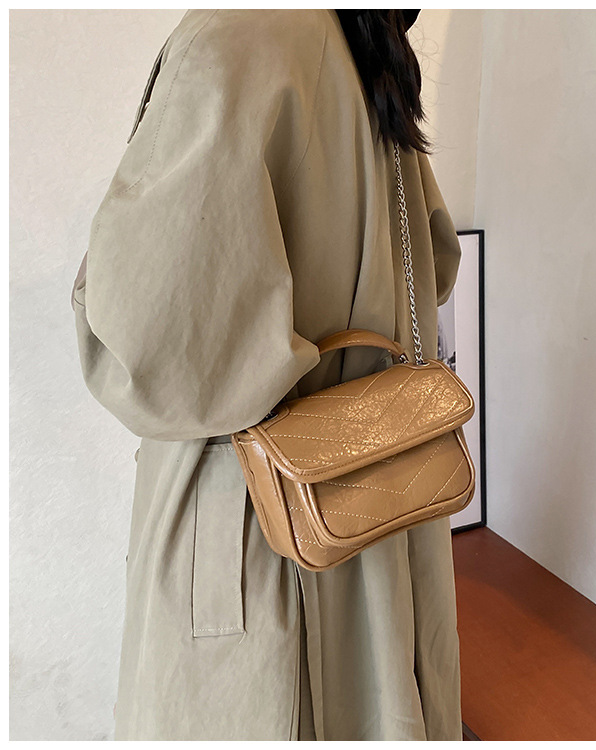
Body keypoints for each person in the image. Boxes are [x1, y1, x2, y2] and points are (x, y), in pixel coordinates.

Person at [72, 9, 463, 741]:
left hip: (254, 534)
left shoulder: (232, 37)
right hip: (377, 505)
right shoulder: (365, 41)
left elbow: (149, 347)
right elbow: (434, 264)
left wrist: (94, 289)